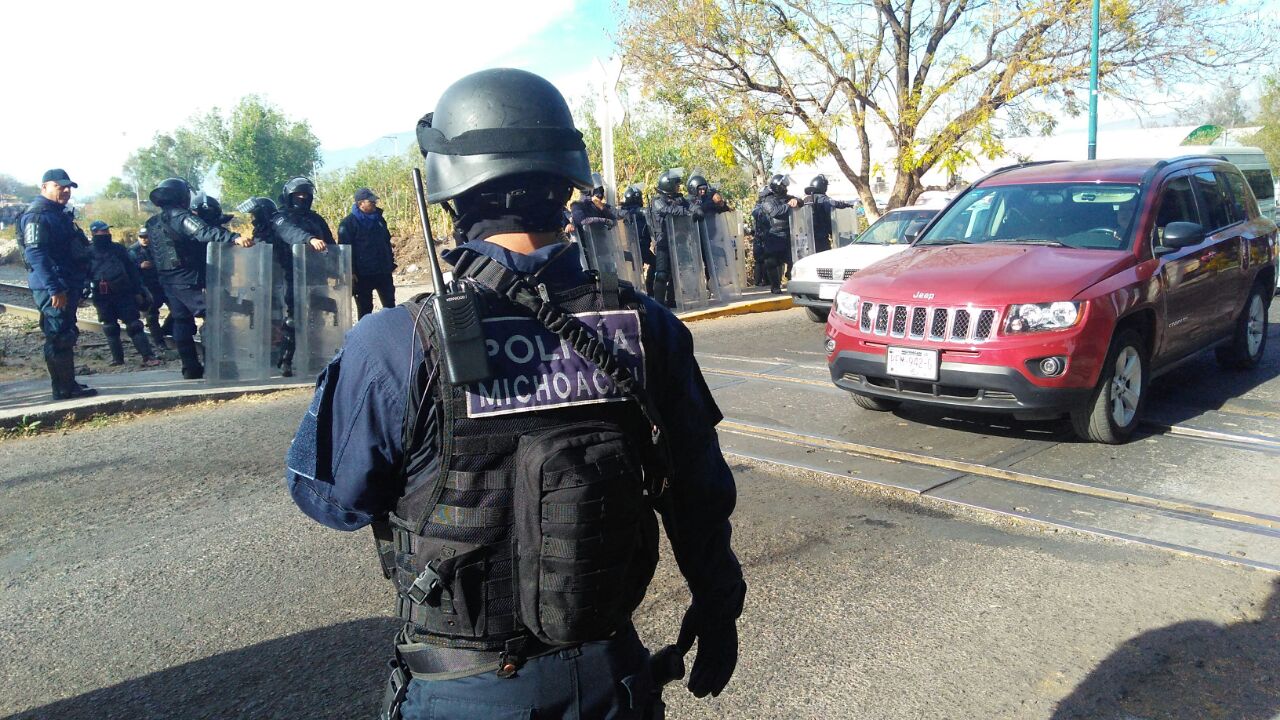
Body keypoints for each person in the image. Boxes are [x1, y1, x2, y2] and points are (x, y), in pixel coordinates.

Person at [285, 68, 745, 720]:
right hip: (614, 674)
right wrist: (718, 603)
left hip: (467, 689)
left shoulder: (395, 341)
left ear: (450, 193)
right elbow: (697, 491)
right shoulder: (647, 326)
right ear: (567, 182)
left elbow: (334, 500)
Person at [144, 177, 252, 379]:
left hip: (168, 280)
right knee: (214, 315)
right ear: (181, 195)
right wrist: (234, 237)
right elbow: (204, 232)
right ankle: (217, 367)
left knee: (181, 321)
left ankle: (190, 368)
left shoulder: (153, 222)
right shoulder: (181, 216)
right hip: (189, 278)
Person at [17, 169, 97, 399]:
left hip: (65, 283)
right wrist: (55, 288)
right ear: (44, 187)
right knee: (59, 335)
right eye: (59, 186)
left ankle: (68, 383)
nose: (66, 190)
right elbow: (36, 255)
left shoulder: (58, 213)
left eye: (68, 187)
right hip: (53, 286)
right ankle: (63, 389)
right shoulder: (38, 215)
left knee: (66, 332)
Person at [87, 221, 161, 367]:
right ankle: (117, 359)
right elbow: (83, 274)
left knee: (134, 325)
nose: (106, 233)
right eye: (102, 231)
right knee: (110, 327)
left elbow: (132, 270)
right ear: (94, 233)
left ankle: (148, 356)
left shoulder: (118, 249)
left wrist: (138, 291)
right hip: (101, 295)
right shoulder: (87, 252)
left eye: (107, 230)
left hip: (123, 292)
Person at [237, 197, 297, 376]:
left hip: (282, 281)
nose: (253, 218)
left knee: (285, 318)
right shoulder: (260, 232)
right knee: (268, 319)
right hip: (264, 284)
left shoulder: (279, 228)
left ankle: (284, 358)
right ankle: (272, 355)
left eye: (255, 214)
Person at [338, 187, 397, 318]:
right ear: (360, 204)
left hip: (383, 271)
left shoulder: (379, 220)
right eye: (371, 201)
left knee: (391, 307)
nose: (374, 203)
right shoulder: (347, 224)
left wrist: (390, 262)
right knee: (365, 310)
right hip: (362, 275)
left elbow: (386, 241)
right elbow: (344, 250)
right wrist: (350, 271)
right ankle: (365, 336)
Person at [648, 170, 703, 307]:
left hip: (679, 241)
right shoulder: (657, 201)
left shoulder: (679, 198)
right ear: (668, 185)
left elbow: (691, 205)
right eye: (676, 185)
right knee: (661, 273)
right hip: (663, 241)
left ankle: (672, 300)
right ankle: (659, 304)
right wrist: (688, 213)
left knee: (677, 271)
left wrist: (697, 210)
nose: (679, 187)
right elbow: (669, 211)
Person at [753, 174, 801, 293]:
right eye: (784, 185)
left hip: (788, 235)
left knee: (794, 261)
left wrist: (797, 201)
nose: (786, 188)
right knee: (771, 262)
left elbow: (801, 201)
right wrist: (789, 205)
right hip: (773, 236)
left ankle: (790, 279)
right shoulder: (768, 201)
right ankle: (775, 287)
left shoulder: (788, 197)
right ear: (778, 186)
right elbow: (775, 212)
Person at [128, 226, 171, 351]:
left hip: (161, 283)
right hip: (146, 286)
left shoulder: (158, 248)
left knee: (177, 310)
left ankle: (165, 330)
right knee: (151, 315)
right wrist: (139, 266)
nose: (145, 239)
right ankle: (159, 342)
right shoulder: (132, 251)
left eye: (147, 237)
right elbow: (129, 269)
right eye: (142, 237)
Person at [272, 177, 334, 252]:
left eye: (305, 195)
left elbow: (331, 244)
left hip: (316, 261)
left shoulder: (316, 218)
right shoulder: (279, 217)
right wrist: (309, 239)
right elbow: (289, 231)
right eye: (298, 194)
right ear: (289, 196)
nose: (301, 197)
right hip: (288, 261)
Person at [803, 175, 855, 253]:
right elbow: (834, 203)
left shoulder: (807, 199)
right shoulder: (823, 198)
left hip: (809, 236)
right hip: (821, 236)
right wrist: (847, 204)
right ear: (823, 186)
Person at [619, 184, 655, 290]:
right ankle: (646, 289)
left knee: (648, 266)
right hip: (636, 246)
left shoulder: (633, 211)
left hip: (641, 246)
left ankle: (647, 288)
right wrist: (641, 210)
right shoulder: (628, 211)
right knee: (653, 265)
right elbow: (631, 212)